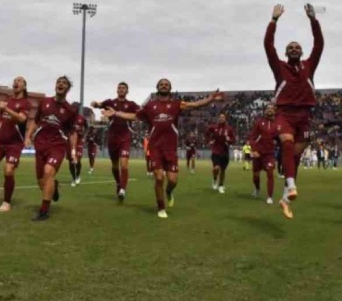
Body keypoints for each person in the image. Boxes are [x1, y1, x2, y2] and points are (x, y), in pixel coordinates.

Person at [102, 79, 222, 219]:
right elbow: (134, 116)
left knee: (172, 180)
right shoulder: (150, 106)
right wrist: (116, 113)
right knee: (159, 177)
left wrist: (211, 98)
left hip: (170, 149)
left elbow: (194, 104)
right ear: (157, 88)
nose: (164, 85)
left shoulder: (177, 104)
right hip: (155, 148)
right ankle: (161, 207)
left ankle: (169, 192)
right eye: (161, 84)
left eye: (166, 84)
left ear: (170, 88)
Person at [265, 3, 324, 219]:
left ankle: (285, 198)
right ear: (285, 52)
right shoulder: (279, 67)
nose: (294, 49)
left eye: (297, 47)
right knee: (287, 143)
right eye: (290, 47)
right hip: (285, 113)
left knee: (295, 156)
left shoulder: (309, 65)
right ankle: (290, 184)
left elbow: (319, 45)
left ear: (302, 52)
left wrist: (313, 20)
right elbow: (268, 46)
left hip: (305, 116)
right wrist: (273, 21)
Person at [24, 76, 79, 221]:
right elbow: (35, 122)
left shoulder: (70, 110)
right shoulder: (45, 103)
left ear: (68, 89)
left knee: (49, 171)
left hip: (57, 146)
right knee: (43, 184)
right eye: (58, 82)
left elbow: (73, 132)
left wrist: (73, 152)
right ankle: (53, 186)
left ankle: (44, 212)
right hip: (40, 144)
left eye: (64, 83)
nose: (60, 84)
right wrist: (28, 136)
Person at [0, 76, 31, 212]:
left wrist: (6, 109)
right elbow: (0, 118)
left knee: (9, 170)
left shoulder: (25, 103)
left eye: (20, 81)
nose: (16, 82)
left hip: (15, 143)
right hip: (0, 140)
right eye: (15, 80)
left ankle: (7, 203)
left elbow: (22, 119)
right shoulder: (7, 101)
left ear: (24, 87)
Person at [91, 82, 140, 200]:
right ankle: (119, 183)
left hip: (125, 137)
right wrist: (95, 104)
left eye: (124, 88)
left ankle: (122, 189)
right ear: (117, 90)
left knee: (124, 164)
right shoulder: (110, 102)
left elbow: (140, 113)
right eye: (119, 88)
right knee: (114, 166)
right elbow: (99, 105)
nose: (121, 89)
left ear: (127, 91)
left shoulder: (131, 104)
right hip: (112, 137)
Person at [248, 104, 279, 204]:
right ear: (264, 111)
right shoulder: (258, 123)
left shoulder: (278, 124)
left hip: (269, 155)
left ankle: (270, 197)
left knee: (270, 173)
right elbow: (252, 138)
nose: (269, 110)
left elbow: (279, 138)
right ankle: (257, 189)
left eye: (271, 108)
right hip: (258, 153)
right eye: (267, 108)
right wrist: (254, 150)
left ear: (274, 111)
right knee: (256, 175)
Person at [205, 113, 235, 194]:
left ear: (226, 119)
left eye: (223, 117)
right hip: (215, 151)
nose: (221, 118)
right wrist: (209, 141)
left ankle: (221, 186)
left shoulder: (229, 129)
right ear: (218, 118)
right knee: (216, 168)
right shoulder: (213, 127)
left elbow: (233, 140)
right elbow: (206, 133)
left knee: (223, 170)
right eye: (220, 117)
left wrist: (229, 140)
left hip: (225, 152)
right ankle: (214, 179)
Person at [68, 107, 87, 187]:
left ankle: (78, 175)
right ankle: (74, 177)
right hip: (70, 140)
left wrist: (84, 134)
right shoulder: (68, 118)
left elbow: (86, 126)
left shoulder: (82, 118)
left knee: (77, 159)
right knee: (71, 161)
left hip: (79, 140)